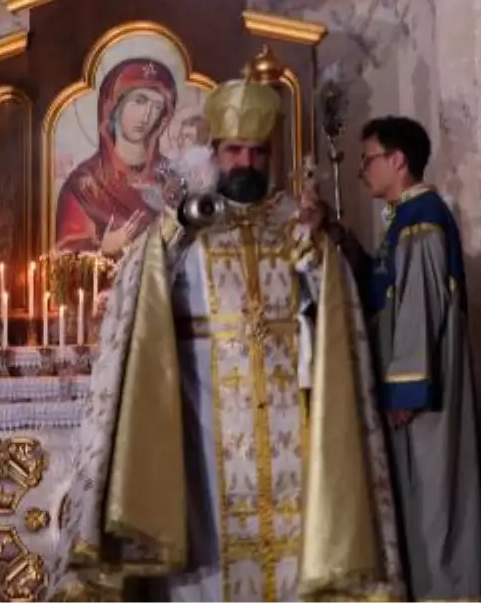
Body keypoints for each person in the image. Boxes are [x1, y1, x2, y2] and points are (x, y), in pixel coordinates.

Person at [51, 77, 407, 601]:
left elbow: (333, 310)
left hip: (289, 416)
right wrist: (171, 229)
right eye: (235, 151)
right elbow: (137, 299)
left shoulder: (294, 221)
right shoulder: (185, 224)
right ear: (215, 153)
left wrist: (316, 253)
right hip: (203, 420)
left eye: (258, 153)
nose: (246, 163)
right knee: (208, 548)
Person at [316, 116, 481, 602]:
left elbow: (418, 308)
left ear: (397, 160)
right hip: (410, 389)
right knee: (419, 504)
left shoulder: (423, 218)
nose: (362, 171)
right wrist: (340, 237)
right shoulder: (405, 219)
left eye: (368, 159)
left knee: (435, 503)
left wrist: (406, 389)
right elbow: (384, 289)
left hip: (424, 396)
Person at [55, 58, 179, 256]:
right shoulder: (84, 186)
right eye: (139, 101)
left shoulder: (173, 177)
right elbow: (65, 258)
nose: (146, 115)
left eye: (157, 106)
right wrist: (102, 248)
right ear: (113, 106)